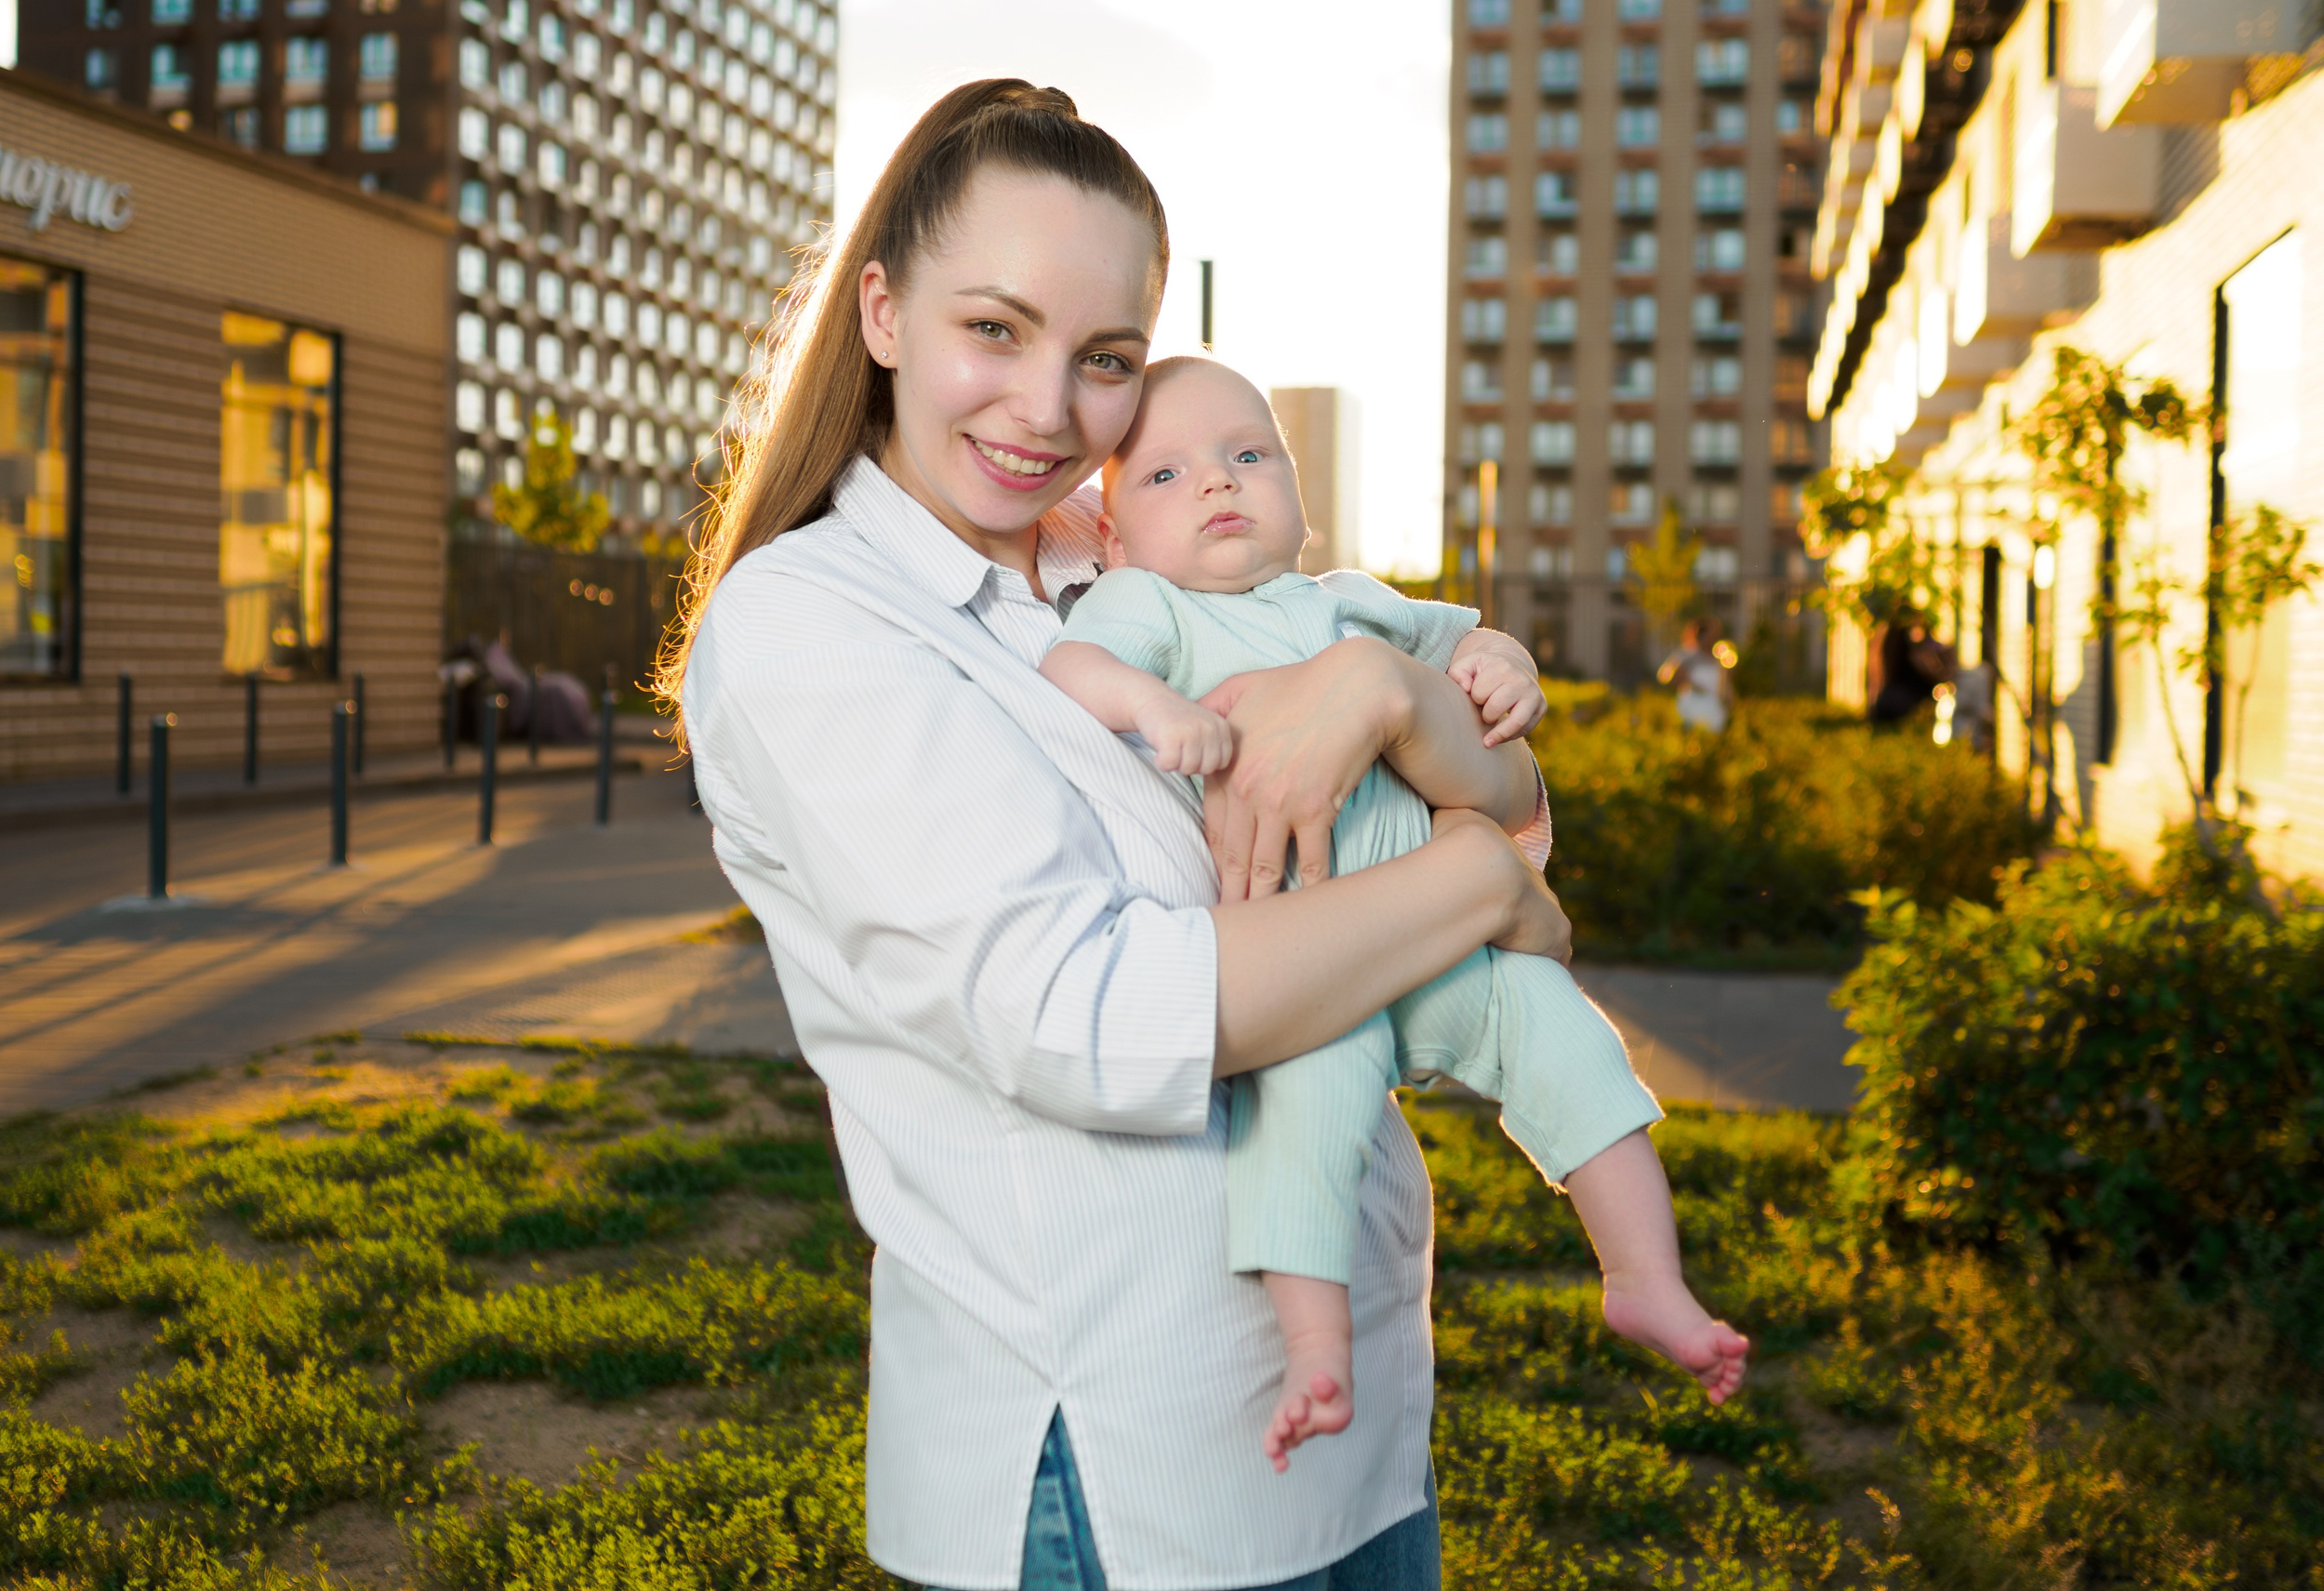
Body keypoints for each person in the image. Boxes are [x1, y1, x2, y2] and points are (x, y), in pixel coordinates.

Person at [665, 80, 1579, 1589]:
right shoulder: (808, 624)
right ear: (884, 313)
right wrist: (1477, 884)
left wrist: (1390, 698)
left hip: (1363, 1409)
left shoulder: (1125, 563)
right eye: (995, 329)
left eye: (1102, 359)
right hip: (1123, 1474)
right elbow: (1090, 1018)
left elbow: (1491, 808)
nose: (1046, 408)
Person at [1042, 357, 1746, 1471]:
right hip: (1308, 969)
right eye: (1167, 474)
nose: (1217, 482)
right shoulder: (1150, 607)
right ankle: (1315, 1351)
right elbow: (1070, 666)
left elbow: (1466, 646)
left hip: (1446, 945)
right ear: (1114, 538)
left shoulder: (1351, 602)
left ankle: (1642, 1277)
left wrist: (1503, 668)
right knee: (1304, 1122)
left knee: (1566, 1037)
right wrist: (1149, 706)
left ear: (1299, 501)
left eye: (1247, 455)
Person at [1660, 617, 1733, 734]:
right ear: (1701, 636)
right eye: (1711, 634)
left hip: (1714, 709)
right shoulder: (1688, 656)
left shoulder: (1719, 659)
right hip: (1693, 706)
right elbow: (1666, 676)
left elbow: (1724, 685)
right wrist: (1690, 683)